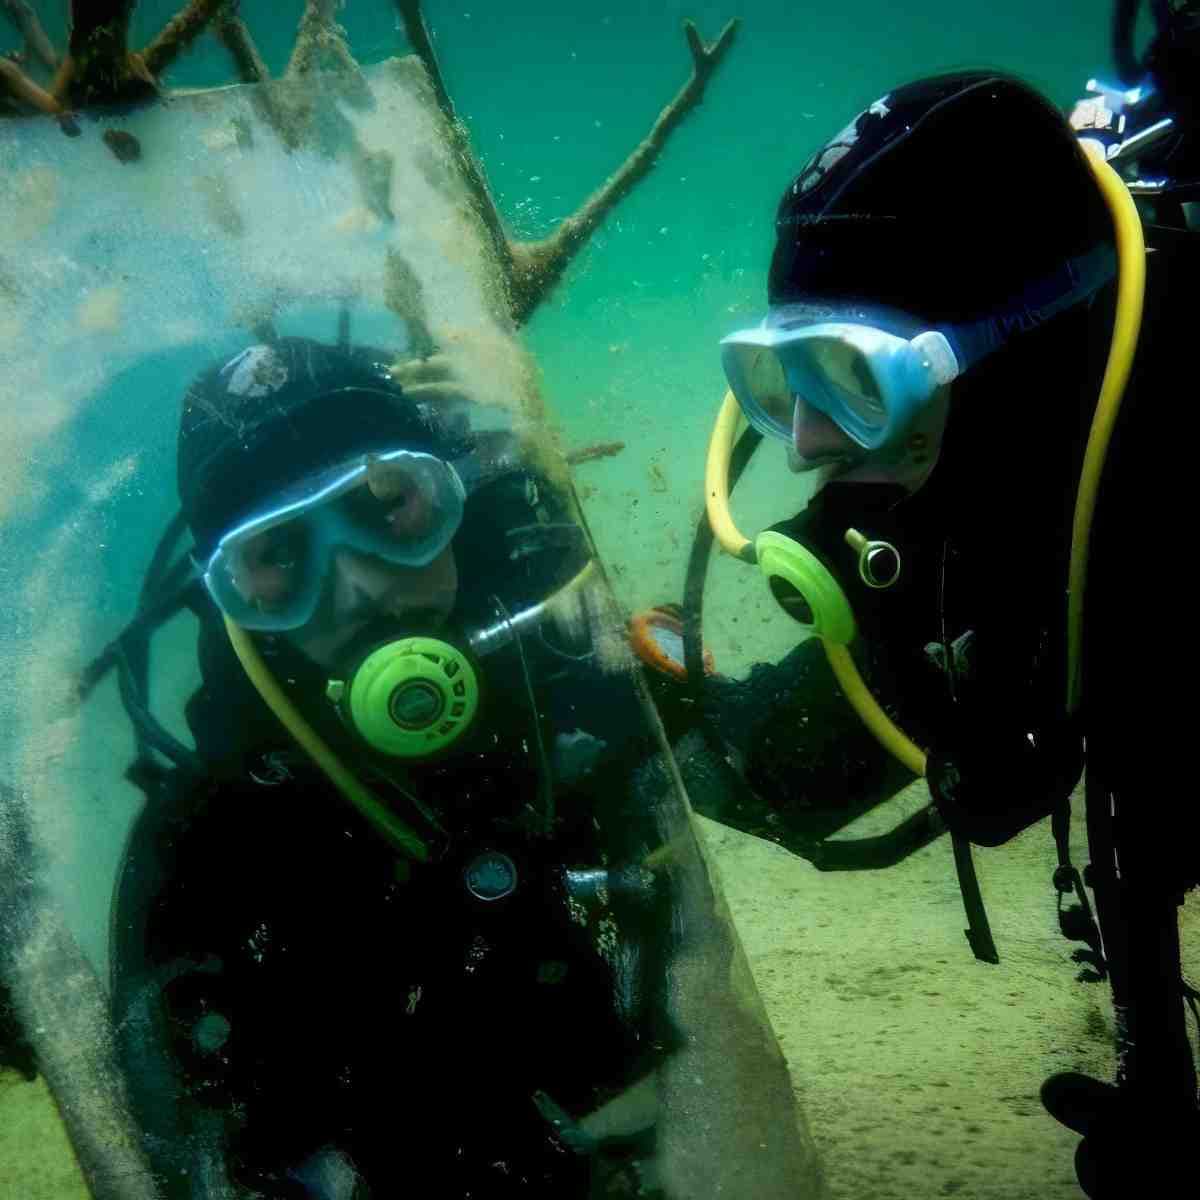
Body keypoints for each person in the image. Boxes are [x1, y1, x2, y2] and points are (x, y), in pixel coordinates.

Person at [641, 53, 1199, 1199]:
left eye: (852, 377)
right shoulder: (957, 492)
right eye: (781, 380)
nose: (805, 442)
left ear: (1017, 355)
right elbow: (800, 766)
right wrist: (622, 690)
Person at [105, 330, 687, 1199]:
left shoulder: (574, 671)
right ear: (233, 600)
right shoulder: (204, 840)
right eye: (279, 556)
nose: (361, 588)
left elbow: (789, 775)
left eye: (388, 506)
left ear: (453, 493)